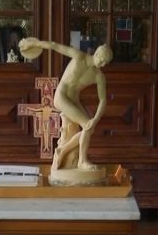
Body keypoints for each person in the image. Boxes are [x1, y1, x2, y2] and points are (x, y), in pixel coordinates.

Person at [17, 37, 113, 175]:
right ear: (97, 53)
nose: (103, 64)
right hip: (61, 97)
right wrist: (33, 43)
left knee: (89, 128)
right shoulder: (79, 56)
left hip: (74, 100)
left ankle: (63, 151)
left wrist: (95, 119)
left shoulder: (99, 76)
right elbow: (54, 45)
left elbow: (103, 100)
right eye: (102, 60)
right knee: (87, 126)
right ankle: (81, 161)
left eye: (105, 63)